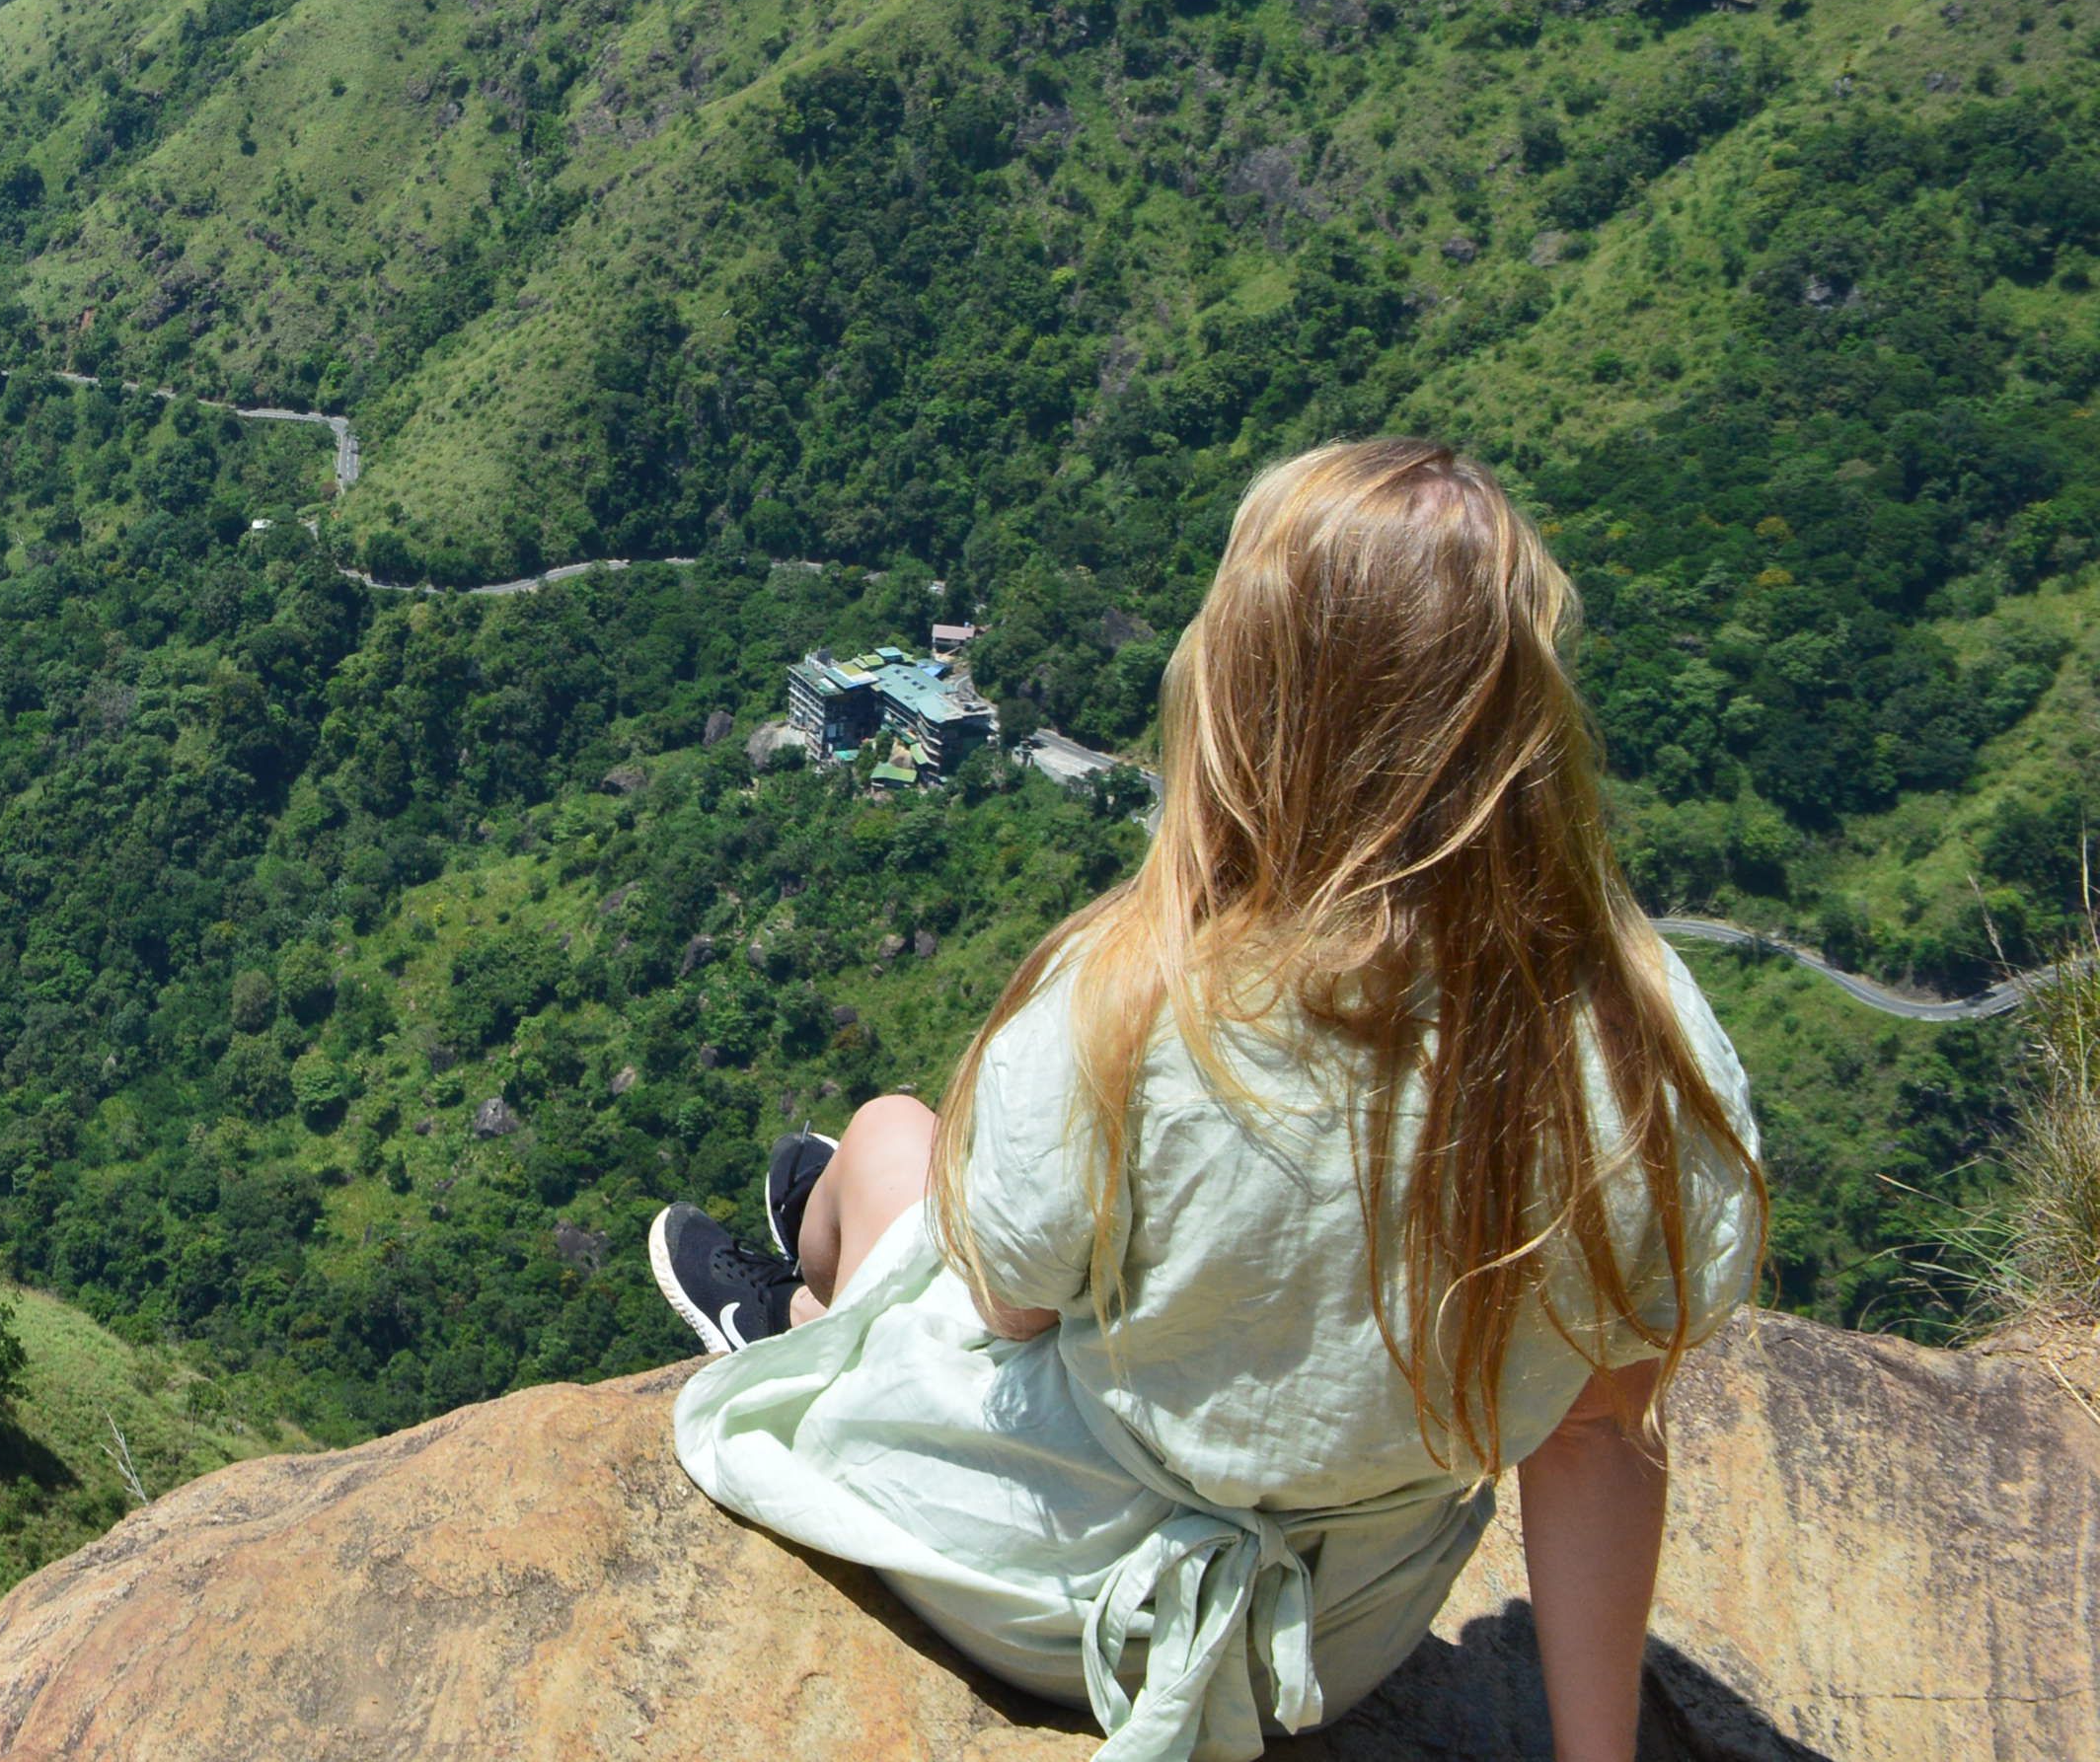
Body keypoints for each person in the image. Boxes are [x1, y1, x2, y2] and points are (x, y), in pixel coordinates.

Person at [645, 440, 1763, 1762]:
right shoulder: (1635, 1048)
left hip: (1036, 1592)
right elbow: (1595, 1439)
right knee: (916, 1173)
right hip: (1317, 1650)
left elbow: (1011, 1305)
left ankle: (792, 1312)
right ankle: (811, 1262)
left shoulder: (1130, 1000)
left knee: (893, 1138)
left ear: (1241, 691)